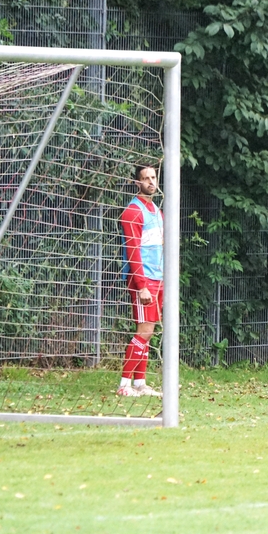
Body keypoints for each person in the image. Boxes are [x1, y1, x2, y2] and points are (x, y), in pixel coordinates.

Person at [118, 163, 164, 397]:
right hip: (143, 279)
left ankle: (140, 383)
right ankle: (124, 385)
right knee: (143, 331)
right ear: (137, 182)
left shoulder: (156, 210)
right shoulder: (132, 211)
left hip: (159, 278)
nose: (151, 182)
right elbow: (133, 251)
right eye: (145, 178)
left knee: (149, 331)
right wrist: (142, 285)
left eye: (153, 177)